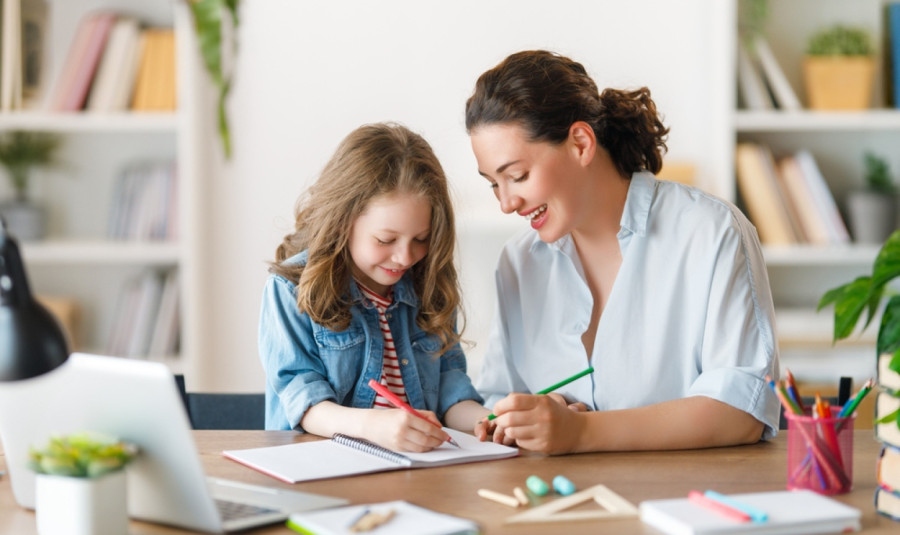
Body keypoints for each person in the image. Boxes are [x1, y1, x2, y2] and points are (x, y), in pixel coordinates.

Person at [466, 50, 780, 454]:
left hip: (687, 503)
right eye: (494, 184)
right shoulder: (518, 262)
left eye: (517, 176)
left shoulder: (712, 232)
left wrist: (581, 433)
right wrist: (535, 416)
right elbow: (498, 404)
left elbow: (742, 412)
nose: (507, 203)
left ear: (580, 143)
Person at [259, 122, 489, 452]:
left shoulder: (428, 283)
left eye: (421, 239)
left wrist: (488, 421)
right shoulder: (291, 288)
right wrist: (373, 425)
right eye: (386, 239)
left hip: (418, 472)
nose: (405, 256)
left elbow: (451, 390)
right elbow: (303, 403)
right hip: (322, 470)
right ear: (342, 221)